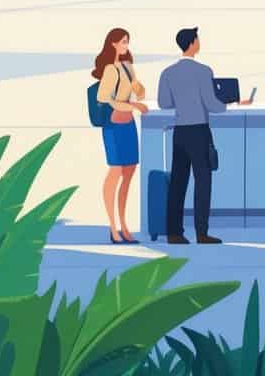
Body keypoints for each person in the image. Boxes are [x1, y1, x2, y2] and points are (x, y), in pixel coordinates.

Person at [158, 27, 248, 245]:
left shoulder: (167, 72)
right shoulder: (203, 71)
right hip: (199, 131)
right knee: (203, 182)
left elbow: (164, 103)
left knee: (178, 183)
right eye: (197, 39)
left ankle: (174, 233)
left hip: (180, 132)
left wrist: (183, 101)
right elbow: (211, 104)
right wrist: (230, 104)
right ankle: (201, 232)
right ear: (191, 43)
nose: (199, 42)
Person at [92, 28, 149, 244]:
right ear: (113, 43)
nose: (126, 45)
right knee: (115, 171)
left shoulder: (128, 67)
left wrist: (138, 88)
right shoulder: (110, 70)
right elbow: (105, 98)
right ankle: (112, 226)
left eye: (128, 41)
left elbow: (139, 92)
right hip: (114, 125)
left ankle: (124, 225)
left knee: (129, 173)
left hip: (128, 124)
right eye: (123, 41)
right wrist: (132, 104)